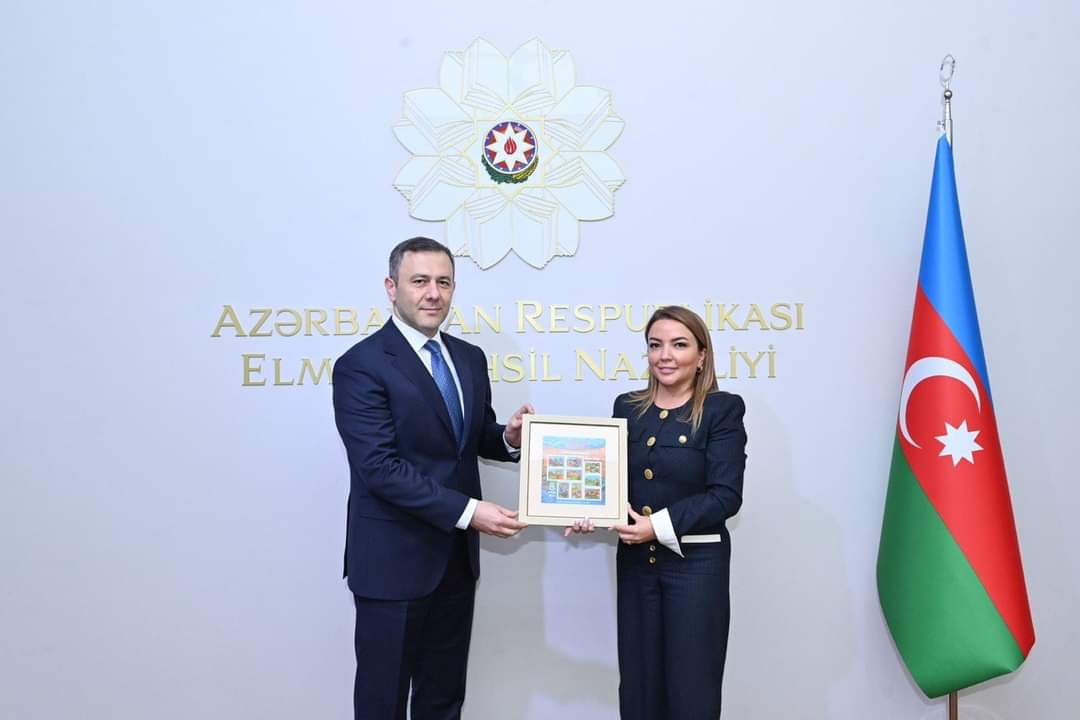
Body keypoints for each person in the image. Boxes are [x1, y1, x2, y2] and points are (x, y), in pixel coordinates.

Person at [333, 236, 531, 720]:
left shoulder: (468, 357)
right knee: (383, 702)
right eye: (419, 281)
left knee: (443, 701)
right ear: (391, 287)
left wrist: (507, 438)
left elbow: (470, 437)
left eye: (443, 282)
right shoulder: (361, 365)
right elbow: (380, 468)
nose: (433, 293)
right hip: (392, 564)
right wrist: (470, 512)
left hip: (455, 564)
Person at [567, 305, 748, 719]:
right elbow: (613, 484)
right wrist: (589, 510)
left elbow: (725, 496)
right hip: (637, 567)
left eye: (679, 345)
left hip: (696, 568)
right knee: (639, 689)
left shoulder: (721, 409)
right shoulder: (628, 407)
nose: (665, 355)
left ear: (701, 355)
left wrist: (656, 525)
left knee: (691, 691)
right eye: (655, 345)